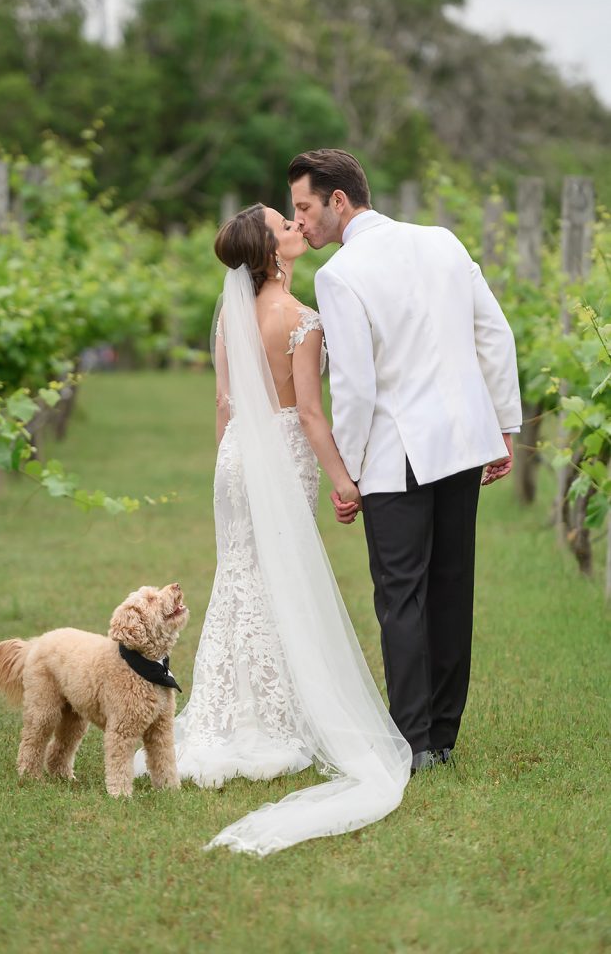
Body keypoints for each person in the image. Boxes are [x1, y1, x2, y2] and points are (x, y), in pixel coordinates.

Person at [134, 203, 411, 855]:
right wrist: (345, 481)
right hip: (282, 457)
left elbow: (225, 406)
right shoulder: (302, 320)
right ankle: (271, 721)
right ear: (272, 253)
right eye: (285, 226)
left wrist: (227, 468)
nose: (297, 226)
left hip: (234, 462)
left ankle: (226, 714)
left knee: (240, 579)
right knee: (277, 584)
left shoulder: (235, 318)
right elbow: (312, 415)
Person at [289, 149, 522, 774]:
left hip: (397, 457)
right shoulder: (442, 241)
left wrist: (351, 471)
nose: (301, 223)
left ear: (340, 200)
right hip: (464, 443)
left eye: (305, 208)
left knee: (400, 600)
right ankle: (441, 738)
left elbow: (357, 389)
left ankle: (412, 742)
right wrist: (502, 423)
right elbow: (494, 333)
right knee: (451, 589)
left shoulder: (338, 276)